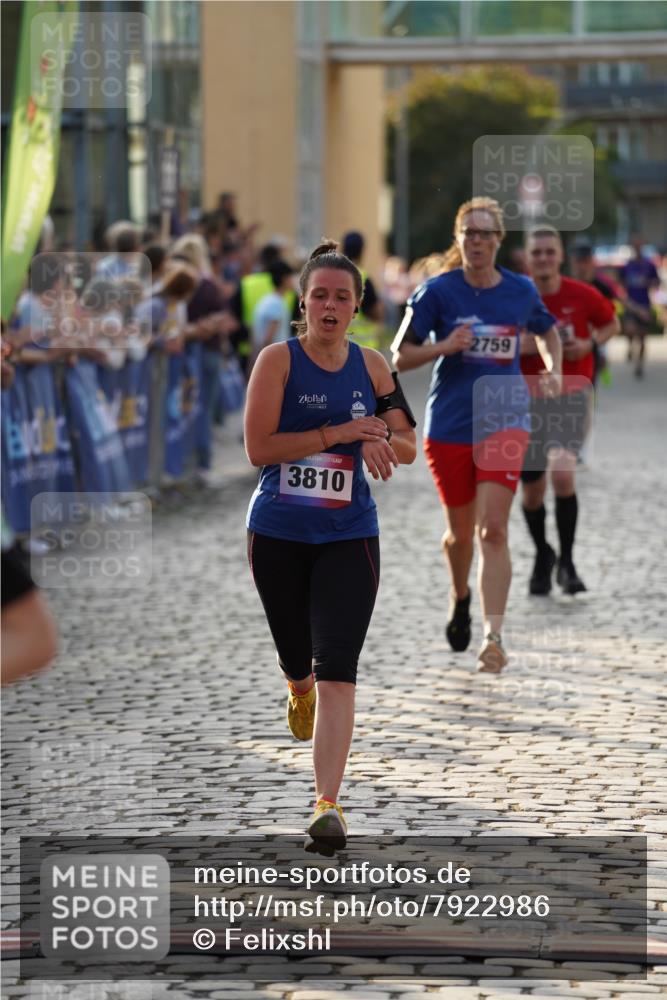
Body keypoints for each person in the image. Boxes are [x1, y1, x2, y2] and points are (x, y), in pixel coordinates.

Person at [245, 240, 416, 848]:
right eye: (320, 293)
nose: (330, 304)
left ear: (357, 305)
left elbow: (406, 444)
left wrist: (376, 439)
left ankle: (327, 804)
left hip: (350, 536)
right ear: (304, 299)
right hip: (278, 536)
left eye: (342, 296)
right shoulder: (277, 361)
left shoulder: (371, 367)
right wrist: (340, 431)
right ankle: (297, 686)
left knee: (338, 668)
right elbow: (259, 450)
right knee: (300, 660)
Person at [392, 196, 561, 674]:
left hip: (504, 417)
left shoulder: (520, 290)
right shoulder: (436, 293)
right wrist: (446, 345)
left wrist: (553, 367)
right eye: (470, 233)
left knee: (494, 529)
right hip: (449, 425)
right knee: (459, 535)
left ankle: (494, 635)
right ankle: (460, 594)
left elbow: (547, 333)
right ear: (459, 239)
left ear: (498, 241)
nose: (478, 241)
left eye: (487, 233)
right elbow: (399, 355)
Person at [521, 226, 618, 595]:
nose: (544, 258)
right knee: (531, 493)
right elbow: (497, 342)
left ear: (560, 256)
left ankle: (568, 561)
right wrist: (528, 346)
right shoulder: (515, 296)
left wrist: (588, 342)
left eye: (550, 252)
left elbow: (611, 323)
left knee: (562, 475)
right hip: (524, 399)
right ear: (527, 258)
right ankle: (543, 554)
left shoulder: (582, 294)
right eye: (537, 253)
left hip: (571, 395)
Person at [620, 235, 659, 378]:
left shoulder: (649, 265)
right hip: (631, 304)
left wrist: (649, 282)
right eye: (634, 245)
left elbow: (656, 282)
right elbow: (621, 284)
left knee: (642, 337)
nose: (637, 248)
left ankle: (639, 365)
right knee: (630, 330)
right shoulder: (627, 266)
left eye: (639, 245)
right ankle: (630, 345)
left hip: (644, 304)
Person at [341, 231, 383, 349]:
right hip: (364, 349)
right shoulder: (362, 277)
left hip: (337, 347)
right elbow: (375, 312)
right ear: (362, 251)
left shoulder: (333, 275)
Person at [251, 260, 295, 360]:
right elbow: (268, 338)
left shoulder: (267, 300)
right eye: (291, 277)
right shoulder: (276, 304)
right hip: (275, 358)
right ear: (284, 279)